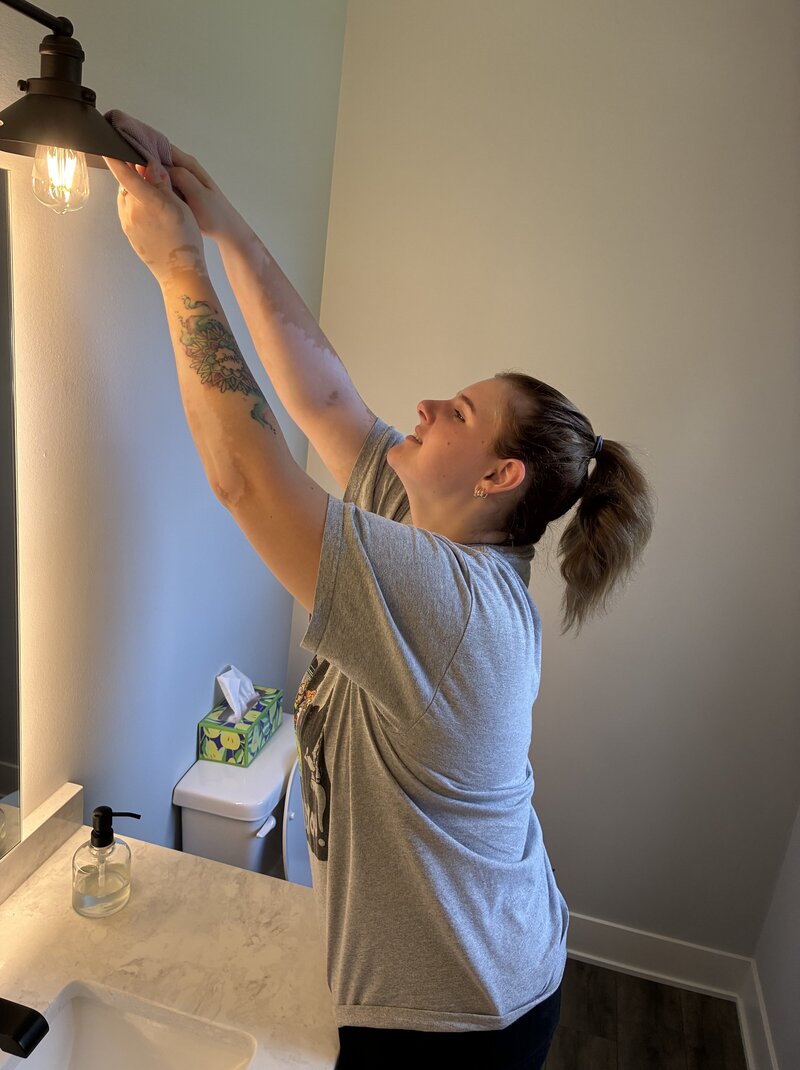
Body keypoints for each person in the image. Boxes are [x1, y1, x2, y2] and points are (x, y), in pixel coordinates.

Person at [105, 150, 654, 1070]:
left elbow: (245, 478)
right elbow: (321, 395)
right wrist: (224, 224)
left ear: (496, 477)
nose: (428, 406)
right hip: (472, 966)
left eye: (461, 412)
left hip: (462, 1017)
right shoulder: (434, 525)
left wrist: (177, 268)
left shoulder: (455, 606)